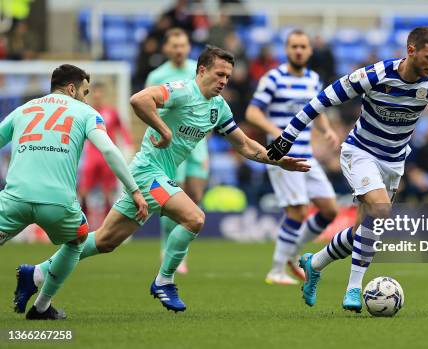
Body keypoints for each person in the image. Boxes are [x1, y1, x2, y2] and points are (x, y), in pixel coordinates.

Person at [16, 47, 309, 314]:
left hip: (156, 175)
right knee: (194, 218)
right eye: (219, 74)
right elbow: (139, 99)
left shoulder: (218, 107)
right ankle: (164, 281)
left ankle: (36, 274)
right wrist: (163, 130)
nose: (224, 81)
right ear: (202, 70)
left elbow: (244, 145)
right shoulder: (182, 91)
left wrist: (278, 160)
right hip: (148, 172)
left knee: (105, 241)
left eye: (228, 76)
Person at [267, 27, 428, 312]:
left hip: (394, 162)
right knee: (380, 209)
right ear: (411, 50)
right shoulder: (375, 75)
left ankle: (314, 262)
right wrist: (287, 136)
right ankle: (354, 290)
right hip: (360, 152)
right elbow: (323, 99)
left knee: (363, 233)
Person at [3, 64, 147, 320]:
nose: (86, 96)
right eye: (85, 90)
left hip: (14, 199)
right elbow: (110, 150)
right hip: (58, 204)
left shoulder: (23, 110)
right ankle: (42, 307)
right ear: (72, 89)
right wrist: (133, 189)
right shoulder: (85, 112)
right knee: (77, 239)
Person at [246, 29, 340, 285]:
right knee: (297, 211)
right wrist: (278, 132)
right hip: (281, 157)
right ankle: (276, 271)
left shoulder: (313, 79)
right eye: (294, 46)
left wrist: (327, 130)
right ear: (286, 50)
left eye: (303, 46)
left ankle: (291, 252)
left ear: (309, 51)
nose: (298, 50)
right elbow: (253, 113)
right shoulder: (273, 78)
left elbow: (316, 110)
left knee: (330, 210)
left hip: (307, 156)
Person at [146, 28, 205, 274]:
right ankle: (170, 251)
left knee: (196, 196)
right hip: (171, 145)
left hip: (197, 144)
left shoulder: (198, 70)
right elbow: (148, 108)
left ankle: (179, 250)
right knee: (173, 198)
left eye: (183, 45)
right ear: (167, 48)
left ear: (189, 47)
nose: (179, 49)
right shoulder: (158, 75)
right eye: (175, 45)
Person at [78, 82, 133, 222]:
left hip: (107, 157)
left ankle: (109, 224)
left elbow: (123, 130)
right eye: (94, 92)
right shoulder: (87, 112)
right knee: (83, 191)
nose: (97, 95)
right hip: (91, 156)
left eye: (99, 92)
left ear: (103, 94)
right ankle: (82, 222)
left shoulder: (112, 112)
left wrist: (128, 145)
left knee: (108, 192)